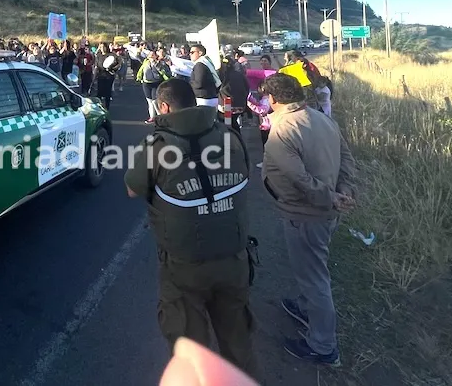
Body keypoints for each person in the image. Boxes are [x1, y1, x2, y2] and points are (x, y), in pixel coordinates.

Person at [124, 79, 260, 382]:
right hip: (233, 257)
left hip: (184, 264)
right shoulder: (230, 136)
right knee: (238, 343)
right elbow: (245, 173)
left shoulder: (157, 146)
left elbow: (133, 189)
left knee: (191, 350)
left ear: (164, 107)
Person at [258, 73, 358, 366]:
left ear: (273, 99)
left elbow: (298, 178)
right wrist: (345, 190)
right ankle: (305, 308)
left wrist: (332, 197)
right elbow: (347, 159)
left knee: (315, 278)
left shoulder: (282, 130)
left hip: (306, 214)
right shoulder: (321, 118)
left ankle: (323, 346)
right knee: (311, 269)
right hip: (324, 211)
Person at [137, 49, 172, 123]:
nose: (151, 56)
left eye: (153, 55)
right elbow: (140, 66)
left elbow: (163, 71)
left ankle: (159, 117)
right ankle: (152, 117)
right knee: (149, 102)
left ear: (156, 56)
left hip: (156, 83)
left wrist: (155, 63)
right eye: (150, 55)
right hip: (146, 83)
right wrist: (139, 78)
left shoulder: (159, 63)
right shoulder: (145, 62)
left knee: (155, 101)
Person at [94, 42, 119, 110]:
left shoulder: (111, 55)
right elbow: (96, 66)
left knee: (107, 92)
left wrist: (112, 69)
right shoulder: (98, 55)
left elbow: (117, 64)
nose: (102, 48)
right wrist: (94, 76)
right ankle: (99, 107)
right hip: (100, 76)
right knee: (99, 92)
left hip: (109, 76)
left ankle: (107, 107)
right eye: (101, 47)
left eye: (103, 47)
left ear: (106, 47)